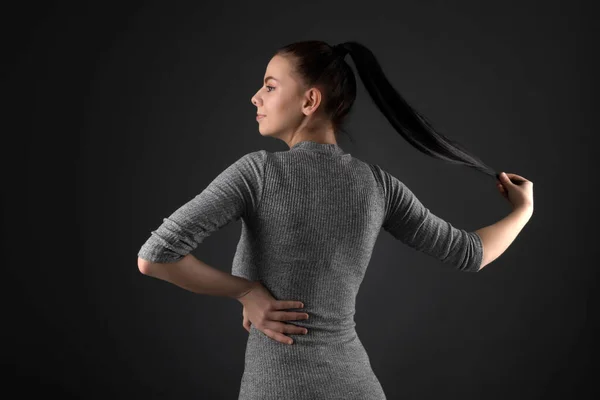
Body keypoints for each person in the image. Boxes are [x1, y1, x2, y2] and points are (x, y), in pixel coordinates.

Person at [137, 40, 534, 400]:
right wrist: (523, 210)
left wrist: (245, 292)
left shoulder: (257, 173)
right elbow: (472, 252)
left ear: (309, 101)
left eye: (270, 86)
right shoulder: (377, 185)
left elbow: (155, 256)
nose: (256, 96)